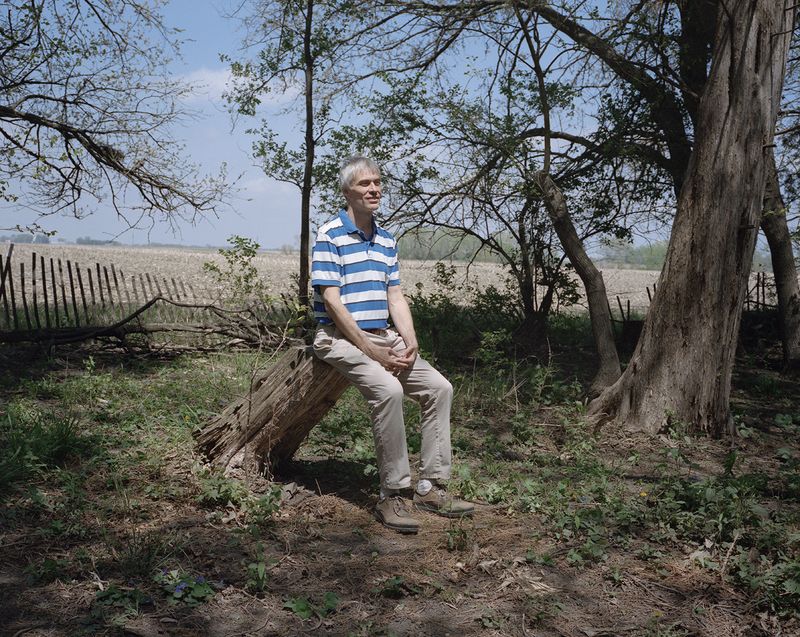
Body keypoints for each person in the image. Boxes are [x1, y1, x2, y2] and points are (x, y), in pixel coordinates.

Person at [310, 156, 474, 534]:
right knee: (388, 390)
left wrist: (410, 340)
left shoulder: (386, 239)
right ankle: (393, 494)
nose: (374, 189)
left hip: (384, 336)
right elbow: (332, 302)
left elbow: (395, 296)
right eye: (365, 184)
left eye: (378, 182)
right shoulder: (330, 234)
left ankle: (432, 487)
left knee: (439, 388)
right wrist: (371, 350)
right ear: (347, 191)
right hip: (337, 337)